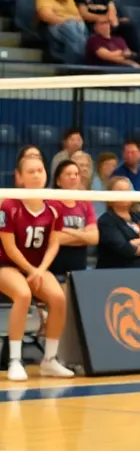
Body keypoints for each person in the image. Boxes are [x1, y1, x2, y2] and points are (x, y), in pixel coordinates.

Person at [0, 154, 74, 380]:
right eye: (30, 171)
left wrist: (40, 270)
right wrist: (31, 271)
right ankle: (14, 359)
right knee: (23, 294)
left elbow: (54, 243)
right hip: (7, 265)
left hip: (37, 267)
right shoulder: (10, 205)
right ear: (20, 177)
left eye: (40, 170)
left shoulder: (53, 207)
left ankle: (49, 360)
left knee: (59, 298)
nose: (36, 175)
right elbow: (9, 247)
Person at [96, 177, 140, 268]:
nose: (125, 194)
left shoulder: (139, 215)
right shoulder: (106, 221)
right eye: (120, 191)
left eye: (128, 190)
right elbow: (127, 249)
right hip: (119, 273)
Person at [47, 159, 97, 275]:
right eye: (68, 174)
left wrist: (66, 231)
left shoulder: (85, 202)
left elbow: (94, 238)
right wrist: (83, 234)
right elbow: (52, 238)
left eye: (76, 174)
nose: (73, 177)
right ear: (58, 181)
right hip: (55, 264)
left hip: (79, 264)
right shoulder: (51, 203)